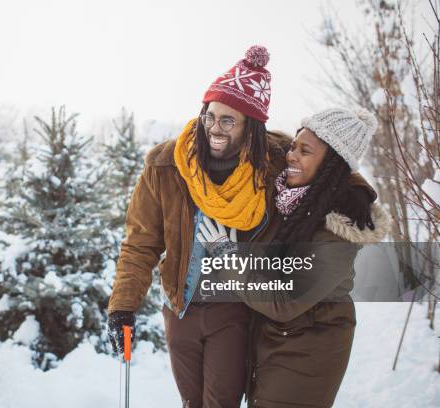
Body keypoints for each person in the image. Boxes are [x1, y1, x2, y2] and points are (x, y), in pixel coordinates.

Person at [107, 45, 293, 407]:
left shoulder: (270, 169)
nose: (214, 128)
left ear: (250, 127)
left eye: (228, 120)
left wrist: (361, 200)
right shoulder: (166, 166)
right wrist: (122, 306)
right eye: (210, 115)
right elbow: (140, 243)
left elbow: (326, 166)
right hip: (182, 308)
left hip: (235, 309)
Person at [197, 108, 391, 408]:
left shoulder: (338, 229)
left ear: (331, 163)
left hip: (307, 354)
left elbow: (284, 301)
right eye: (293, 147)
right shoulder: (298, 203)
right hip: (278, 343)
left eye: (305, 151)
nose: (291, 156)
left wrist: (227, 257)